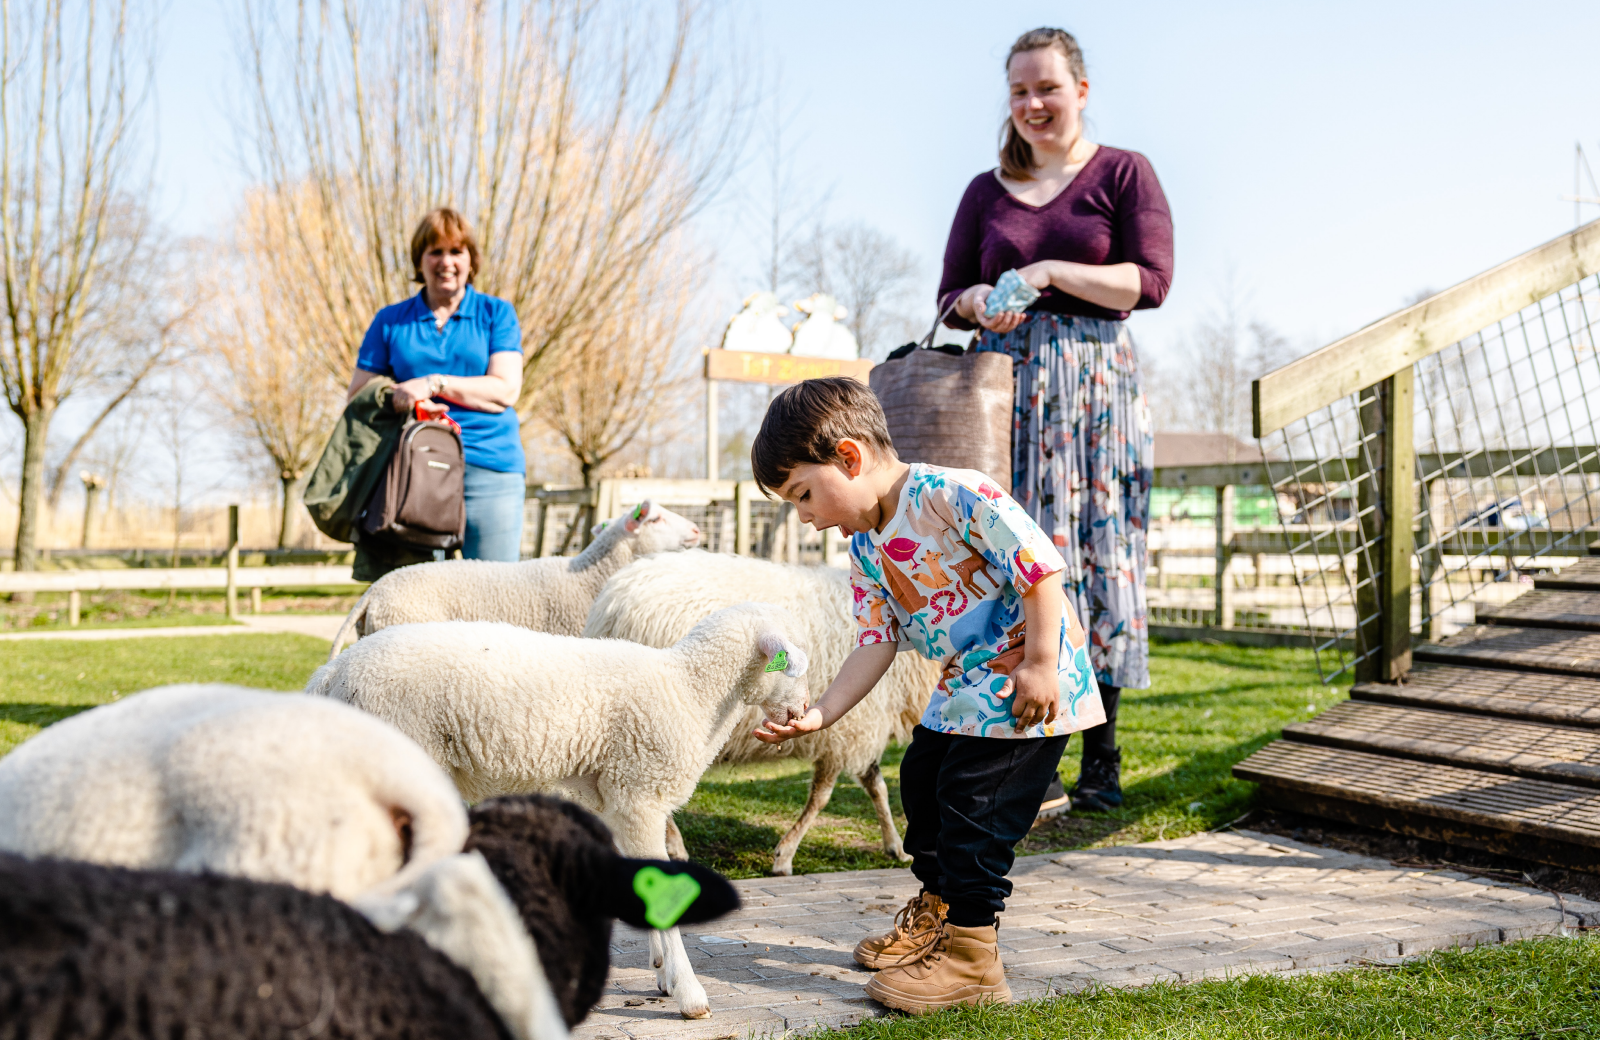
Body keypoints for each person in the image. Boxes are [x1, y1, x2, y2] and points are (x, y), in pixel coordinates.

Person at [749, 377, 1104, 1015]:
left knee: (973, 810)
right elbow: (875, 642)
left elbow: (1041, 568)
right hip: (968, 681)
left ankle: (973, 960)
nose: (804, 514)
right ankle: (939, 919)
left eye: (803, 494)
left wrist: (1044, 663)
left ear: (849, 458)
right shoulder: (865, 546)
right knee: (922, 782)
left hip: (1029, 682)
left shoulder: (953, 494)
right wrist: (821, 713)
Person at [937, 27, 1174, 813]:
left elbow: (1151, 282)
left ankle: (1100, 755)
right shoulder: (985, 190)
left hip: (1097, 388)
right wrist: (978, 302)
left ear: (1080, 88)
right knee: (1025, 553)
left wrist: (1046, 271)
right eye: (1019, 91)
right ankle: (1026, 742)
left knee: (1101, 553)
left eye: (1047, 87)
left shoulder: (1123, 172)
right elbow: (949, 297)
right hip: (1008, 392)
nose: (1033, 104)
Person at [346, 208, 527, 561]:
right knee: (423, 596)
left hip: (491, 465)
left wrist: (433, 384)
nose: (446, 261)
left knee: (494, 593)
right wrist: (405, 400)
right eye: (435, 251)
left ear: (471, 260)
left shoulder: (497, 314)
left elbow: (505, 390)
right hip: (417, 466)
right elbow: (358, 395)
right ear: (420, 260)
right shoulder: (390, 321)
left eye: (456, 251)